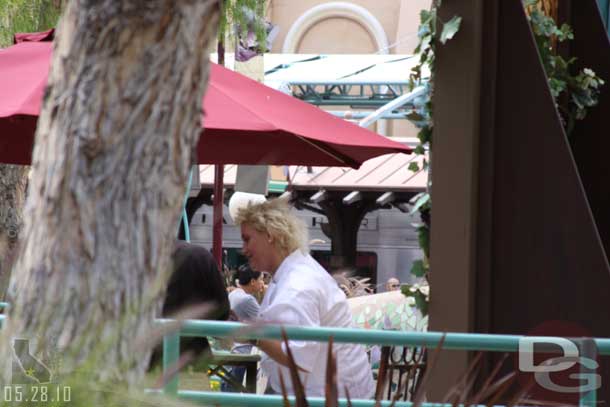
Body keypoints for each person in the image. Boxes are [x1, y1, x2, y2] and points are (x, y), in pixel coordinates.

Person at [235, 199, 374, 399]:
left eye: (247, 239)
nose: (243, 249)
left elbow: (298, 356)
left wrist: (252, 335)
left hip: (329, 398)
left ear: (270, 236)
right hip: (330, 394)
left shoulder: (297, 285)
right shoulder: (296, 273)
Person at [149, 240, 230, 369]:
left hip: (143, 360)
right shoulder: (200, 256)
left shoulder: (134, 259)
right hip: (192, 359)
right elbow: (222, 313)